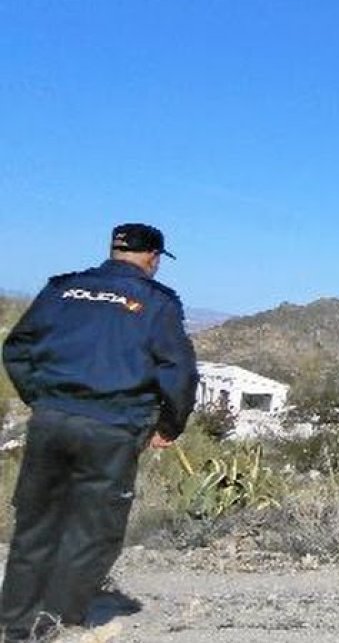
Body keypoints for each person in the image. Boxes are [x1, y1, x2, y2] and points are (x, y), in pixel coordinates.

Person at [1, 223, 198, 639]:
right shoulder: (156, 302)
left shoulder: (64, 289)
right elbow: (178, 370)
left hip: (52, 421)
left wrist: (41, 397)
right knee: (97, 528)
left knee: (36, 522)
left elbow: (17, 347)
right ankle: (57, 616)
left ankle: (15, 622)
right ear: (153, 258)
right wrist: (169, 425)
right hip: (114, 427)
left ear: (114, 250)